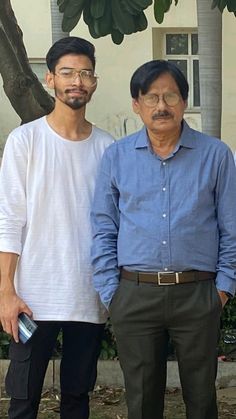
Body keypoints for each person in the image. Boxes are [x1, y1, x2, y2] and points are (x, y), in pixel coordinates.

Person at [91, 60, 236, 419]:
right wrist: (112, 292)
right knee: (141, 400)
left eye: (170, 95)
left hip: (198, 293)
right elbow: (103, 227)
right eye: (151, 97)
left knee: (202, 399)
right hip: (134, 295)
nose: (161, 106)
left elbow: (231, 228)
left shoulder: (216, 155)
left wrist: (221, 290)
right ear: (136, 104)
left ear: (184, 102)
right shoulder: (117, 156)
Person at [0, 36, 114, 419]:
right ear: (49, 78)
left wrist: (112, 290)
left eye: (84, 73)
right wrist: (6, 291)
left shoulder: (107, 147)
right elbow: (10, 218)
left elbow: (114, 225)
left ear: (94, 82)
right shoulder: (25, 141)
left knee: (78, 400)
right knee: (22, 400)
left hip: (88, 295)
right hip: (34, 297)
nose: (76, 81)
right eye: (67, 72)